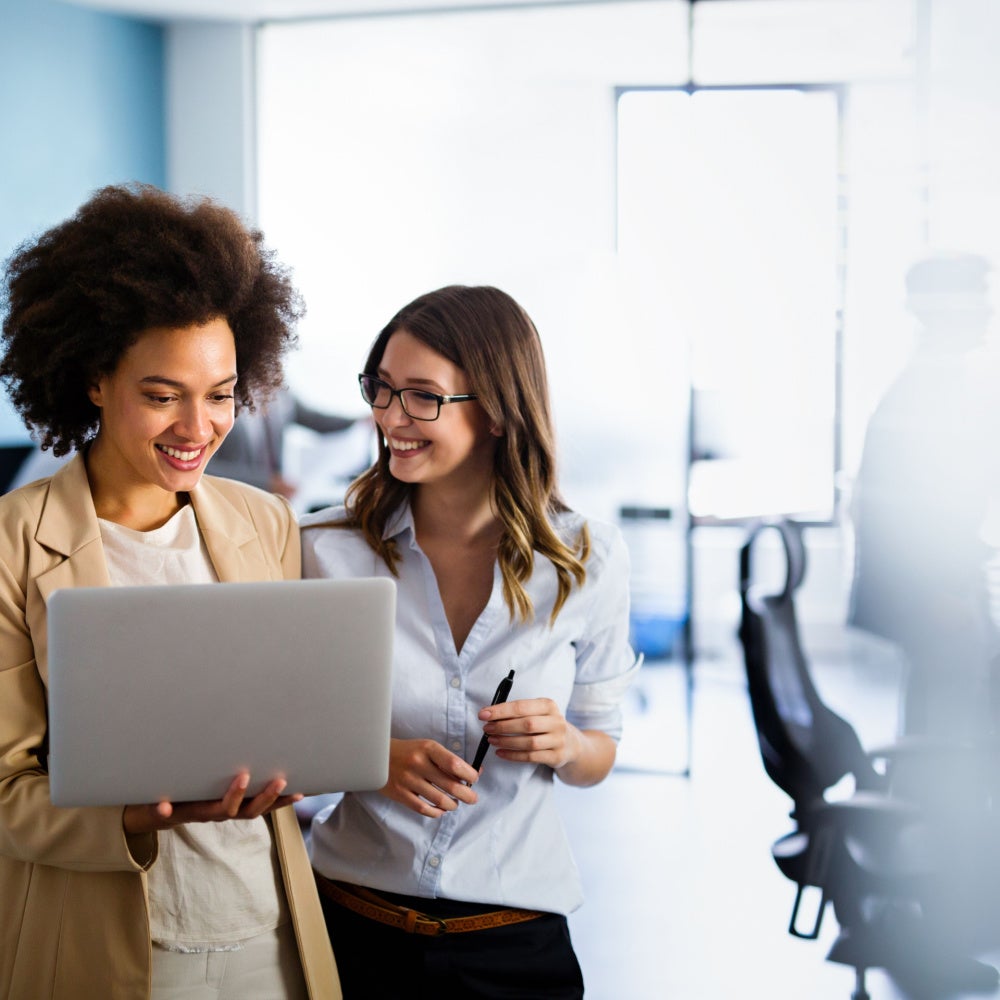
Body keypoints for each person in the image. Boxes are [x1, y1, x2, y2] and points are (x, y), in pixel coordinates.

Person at [0, 183, 339, 1000]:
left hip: (266, 926)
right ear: (93, 380)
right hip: (116, 938)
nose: (198, 428)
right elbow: (6, 789)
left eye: (220, 394)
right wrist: (130, 819)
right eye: (162, 395)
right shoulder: (13, 541)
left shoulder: (266, 522)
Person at [300, 284, 640, 998]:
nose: (391, 417)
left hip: (516, 941)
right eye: (382, 389)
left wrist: (567, 746)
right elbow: (268, 731)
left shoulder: (586, 560)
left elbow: (600, 749)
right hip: (349, 931)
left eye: (423, 396)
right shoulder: (322, 550)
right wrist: (371, 760)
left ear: (496, 409)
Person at [849, 252, 1000, 738]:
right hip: (935, 593)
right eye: (976, 297)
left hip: (945, 585)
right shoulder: (927, 391)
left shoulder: (939, 382)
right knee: (948, 722)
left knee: (948, 708)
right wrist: (938, 592)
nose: (987, 310)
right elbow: (900, 515)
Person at [207, 387, 367, 500]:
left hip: (273, 501)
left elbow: (312, 418)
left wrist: (357, 422)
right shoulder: (215, 395)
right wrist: (264, 482)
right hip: (230, 501)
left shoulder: (275, 385)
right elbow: (205, 468)